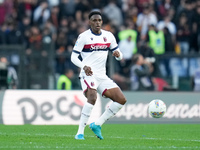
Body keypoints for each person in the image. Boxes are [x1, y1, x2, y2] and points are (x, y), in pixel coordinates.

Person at [71, 9, 126, 140]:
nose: (97, 23)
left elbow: (119, 55)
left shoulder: (109, 36)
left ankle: (97, 124)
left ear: (102, 22)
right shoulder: (83, 36)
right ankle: (80, 132)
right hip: (88, 74)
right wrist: (84, 66)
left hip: (102, 76)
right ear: (89, 22)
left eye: (99, 20)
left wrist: (118, 56)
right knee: (92, 97)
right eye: (94, 20)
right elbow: (73, 57)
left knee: (121, 100)